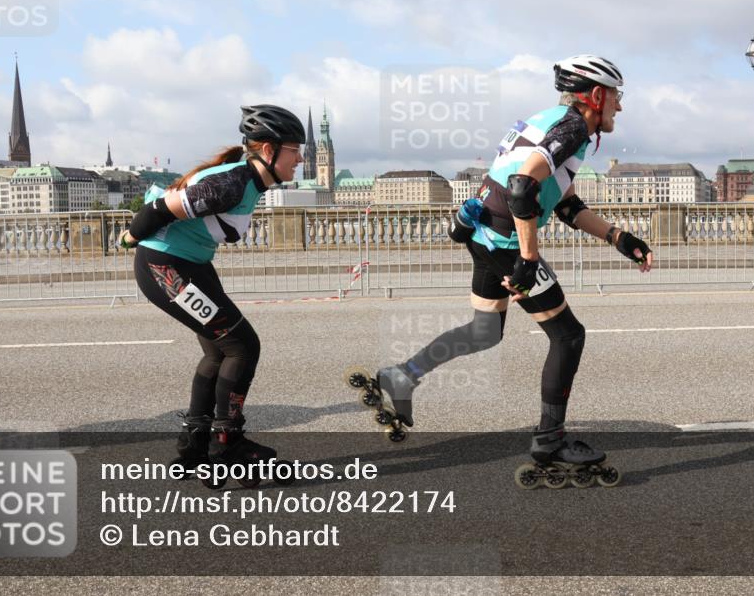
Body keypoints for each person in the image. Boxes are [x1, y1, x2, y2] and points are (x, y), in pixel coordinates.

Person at [369, 54, 653, 479]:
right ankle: (550, 441)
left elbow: (564, 202)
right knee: (568, 336)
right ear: (596, 95)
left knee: (485, 330)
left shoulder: (549, 119)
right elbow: (523, 189)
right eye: (617, 96)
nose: (620, 106)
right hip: (504, 243)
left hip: (482, 232)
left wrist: (618, 237)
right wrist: (528, 258)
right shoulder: (573, 128)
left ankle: (402, 375)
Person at [119, 104, 305, 475]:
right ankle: (228, 443)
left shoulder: (250, 181)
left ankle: (195, 445)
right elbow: (154, 212)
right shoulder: (231, 183)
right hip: (165, 267)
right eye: (295, 150)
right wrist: (130, 236)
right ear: (269, 151)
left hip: (192, 264)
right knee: (242, 346)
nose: (300, 158)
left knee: (221, 351)